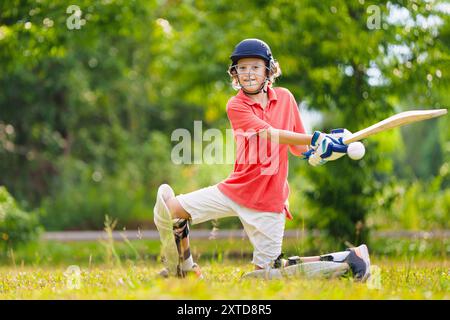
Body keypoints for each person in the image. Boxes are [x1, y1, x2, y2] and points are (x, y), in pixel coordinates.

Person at [154, 39, 371, 282]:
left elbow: (298, 148)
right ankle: (184, 269)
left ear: (268, 70)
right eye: (242, 68)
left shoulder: (286, 98)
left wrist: (323, 151)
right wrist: (318, 138)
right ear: (234, 73)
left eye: (255, 67)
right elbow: (270, 133)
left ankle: (349, 261)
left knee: (263, 276)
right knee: (168, 210)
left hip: (269, 200)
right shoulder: (236, 105)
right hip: (236, 189)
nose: (248, 74)